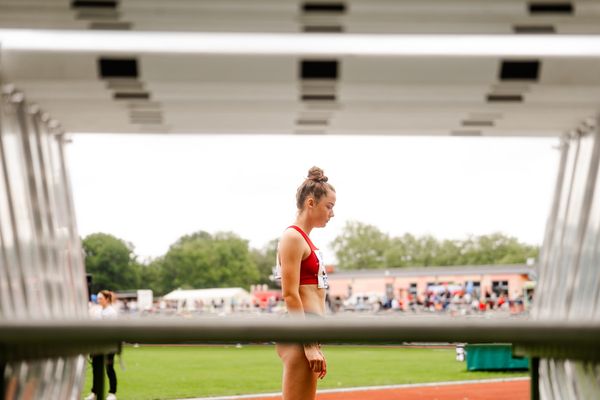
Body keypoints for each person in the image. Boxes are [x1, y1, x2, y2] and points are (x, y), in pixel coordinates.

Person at [275, 166, 336, 400]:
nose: (332, 213)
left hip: (308, 332)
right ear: (311, 203)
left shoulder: (304, 240)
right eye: (329, 206)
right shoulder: (292, 237)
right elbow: (290, 294)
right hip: (300, 333)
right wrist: (308, 345)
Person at [84, 290, 118, 400]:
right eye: (98, 299)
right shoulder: (97, 311)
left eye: (100, 298)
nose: (98, 301)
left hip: (108, 345)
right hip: (97, 345)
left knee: (109, 369)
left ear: (107, 299)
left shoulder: (112, 313)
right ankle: (95, 392)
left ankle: (112, 393)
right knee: (96, 369)